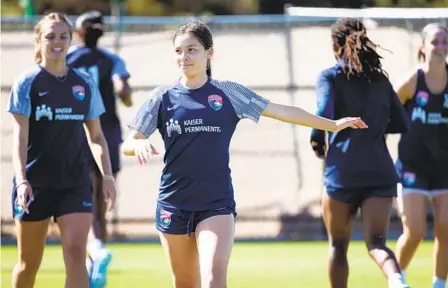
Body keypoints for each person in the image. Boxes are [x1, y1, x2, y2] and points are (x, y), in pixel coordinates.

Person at [121, 19, 367, 288]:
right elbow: (129, 142)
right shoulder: (162, 96)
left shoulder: (228, 93)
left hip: (216, 204)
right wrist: (138, 144)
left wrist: (332, 125)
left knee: (214, 277)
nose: (184, 57)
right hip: (173, 202)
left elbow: (281, 110)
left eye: (192, 49)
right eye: (179, 51)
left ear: (209, 52)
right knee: (185, 283)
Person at [7, 12, 116, 288]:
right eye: (51, 36)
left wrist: (107, 177)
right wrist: (22, 182)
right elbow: (19, 138)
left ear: (71, 40)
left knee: (77, 256)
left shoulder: (84, 84)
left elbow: (96, 136)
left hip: (74, 183)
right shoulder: (27, 82)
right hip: (35, 185)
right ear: (39, 40)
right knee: (28, 264)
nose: (57, 41)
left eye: (63, 36)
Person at [309, 18, 411, 288]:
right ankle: (397, 280)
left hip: (342, 172)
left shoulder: (330, 76)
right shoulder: (379, 79)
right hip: (379, 170)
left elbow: (323, 113)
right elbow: (401, 123)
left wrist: (317, 139)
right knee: (377, 243)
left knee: (338, 246)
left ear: (335, 45)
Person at [67, 10, 132, 287]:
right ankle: (97, 255)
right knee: (102, 200)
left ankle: (93, 253)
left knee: (82, 202)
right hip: (108, 134)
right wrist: (123, 94)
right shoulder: (112, 60)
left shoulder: (68, 58)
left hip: (75, 136)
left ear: (78, 32)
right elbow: (124, 93)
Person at [393, 23, 448, 288]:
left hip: (444, 170)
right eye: (435, 42)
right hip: (412, 167)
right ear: (423, 47)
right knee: (415, 232)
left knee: (446, 228)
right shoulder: (412, 82)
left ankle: (439, 284)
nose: (440, 47)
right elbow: (385, 112)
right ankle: (396, 277)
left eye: (444, 42)